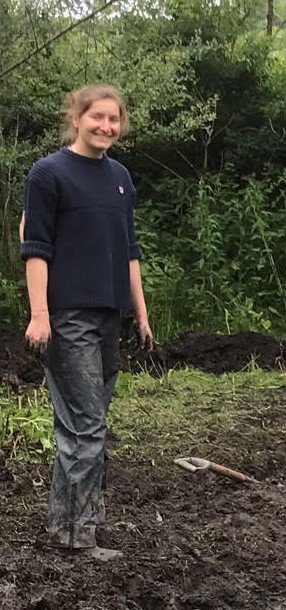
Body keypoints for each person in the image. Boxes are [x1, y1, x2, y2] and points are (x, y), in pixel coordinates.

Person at [20, 84, 153, 561]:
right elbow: (35, 247)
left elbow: (130, 250)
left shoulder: (120, 176)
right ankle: (79, 534)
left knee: (83, 424)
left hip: (108, 314)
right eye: (97, 117)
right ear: (76, 118)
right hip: (67, 314)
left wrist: (140, 311)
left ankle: (71, 525)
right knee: (86, 424)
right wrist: (40, 314)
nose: (107, 127)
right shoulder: (48, 173)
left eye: (114, 120)